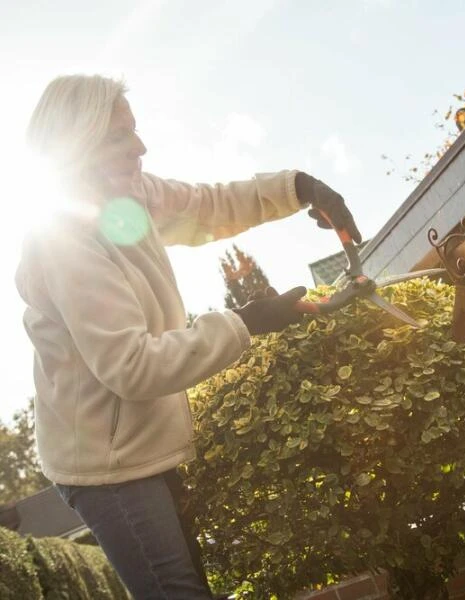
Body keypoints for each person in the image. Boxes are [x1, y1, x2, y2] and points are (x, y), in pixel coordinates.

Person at [15, 74, 363, 600]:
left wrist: (300, 188)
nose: (140, 147)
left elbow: (208, 206)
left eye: (133, 130)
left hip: (146, 441)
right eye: (118, 137)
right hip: (107, 465)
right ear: (76, 147)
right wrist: (250, 320)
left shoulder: (130, 197)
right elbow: (133, 366)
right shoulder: (65, 240)